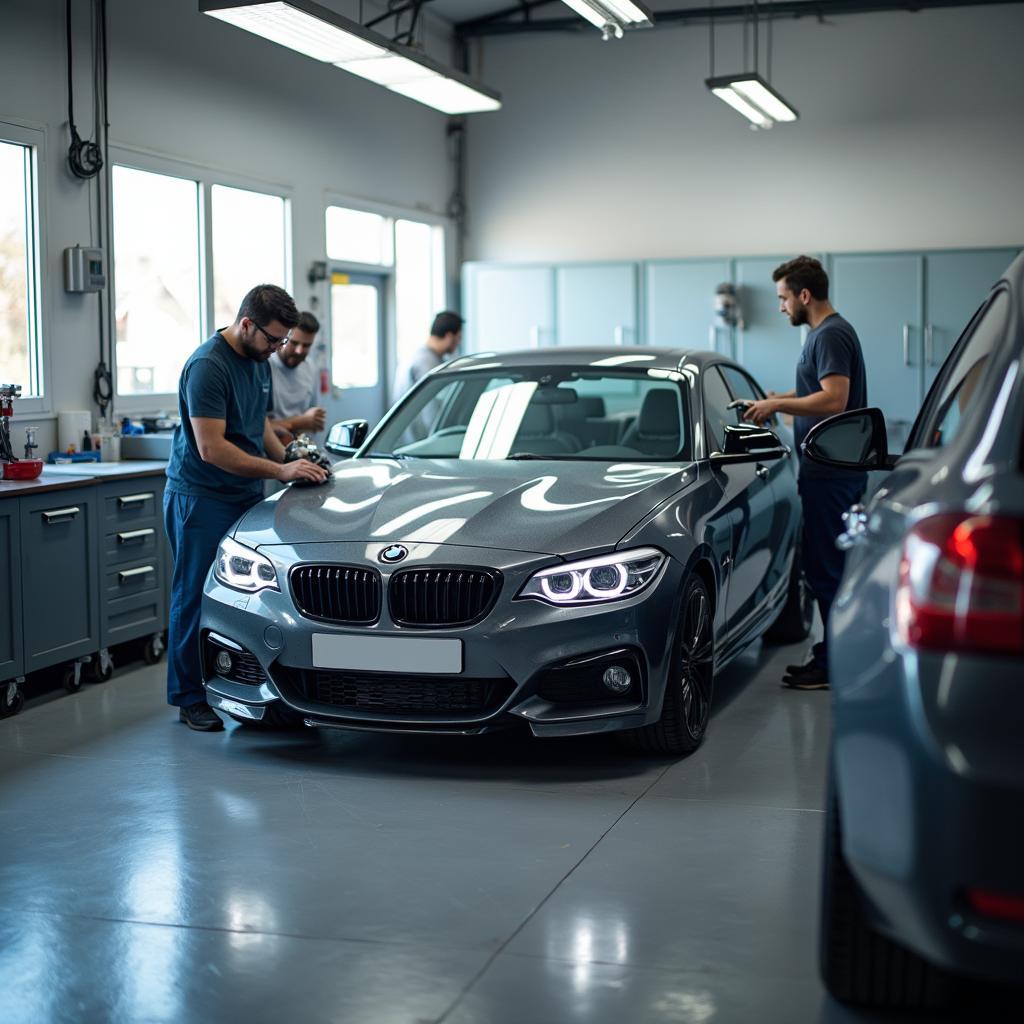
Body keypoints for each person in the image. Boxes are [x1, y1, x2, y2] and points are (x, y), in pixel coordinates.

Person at [164, 284, 328, 731]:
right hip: (200, 497)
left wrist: (296, 461)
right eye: (274, 339)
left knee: (248, 596)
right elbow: (211, 448)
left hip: (242, 494)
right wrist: (279, 472)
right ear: (246, 324)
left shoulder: (259, 362)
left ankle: (253, 684)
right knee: (195, 594)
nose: (279, 348)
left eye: (283, 341)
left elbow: (258, 425)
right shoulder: (207, 367)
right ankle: (188, 697)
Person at [742, 256, 867, 691]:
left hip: (831, 475)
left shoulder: (830, 334)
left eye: (783, 298)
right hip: (830, 469)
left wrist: (777, 406)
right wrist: (784, 396)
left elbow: (834, 399)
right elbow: (818, 390)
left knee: (827, 571)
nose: (781, 307)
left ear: (804, 295)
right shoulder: (827, 333)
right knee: (828, 569)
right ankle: (832, 656)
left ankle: (835, 665)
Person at [268, 310, 326, 442]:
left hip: (300, 446)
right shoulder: (264, 366)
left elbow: (314, 422)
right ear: (284, 337)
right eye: (294, 343)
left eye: (306, 345)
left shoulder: (311, 368)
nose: (299, 350)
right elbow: (258, 427)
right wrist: (299, 422)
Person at [391, 310, 463, 406]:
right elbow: (434, 405)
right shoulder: (426, 361)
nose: (459, 342)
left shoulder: (418, 355)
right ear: (449, 336)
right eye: (459, 337)